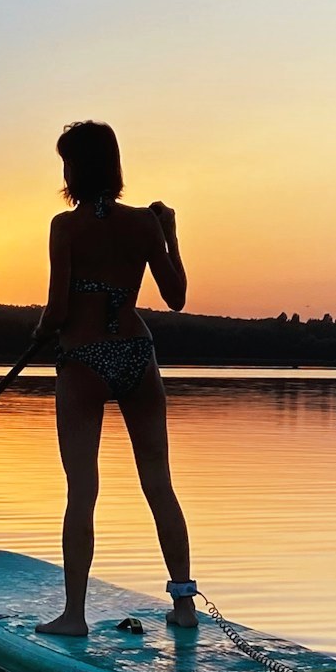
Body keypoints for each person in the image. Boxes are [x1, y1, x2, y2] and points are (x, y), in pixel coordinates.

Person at [30, 120, 199, 638]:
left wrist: (38, 336)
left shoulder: (65, 226)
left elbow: (59, 309)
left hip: (82, 360)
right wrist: (169, 236)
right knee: (159, 484)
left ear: (75, 170)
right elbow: (177, 297)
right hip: (136, 356)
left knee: (82, 490)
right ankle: (185, 606)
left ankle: (74, 616)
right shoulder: (145, 225)